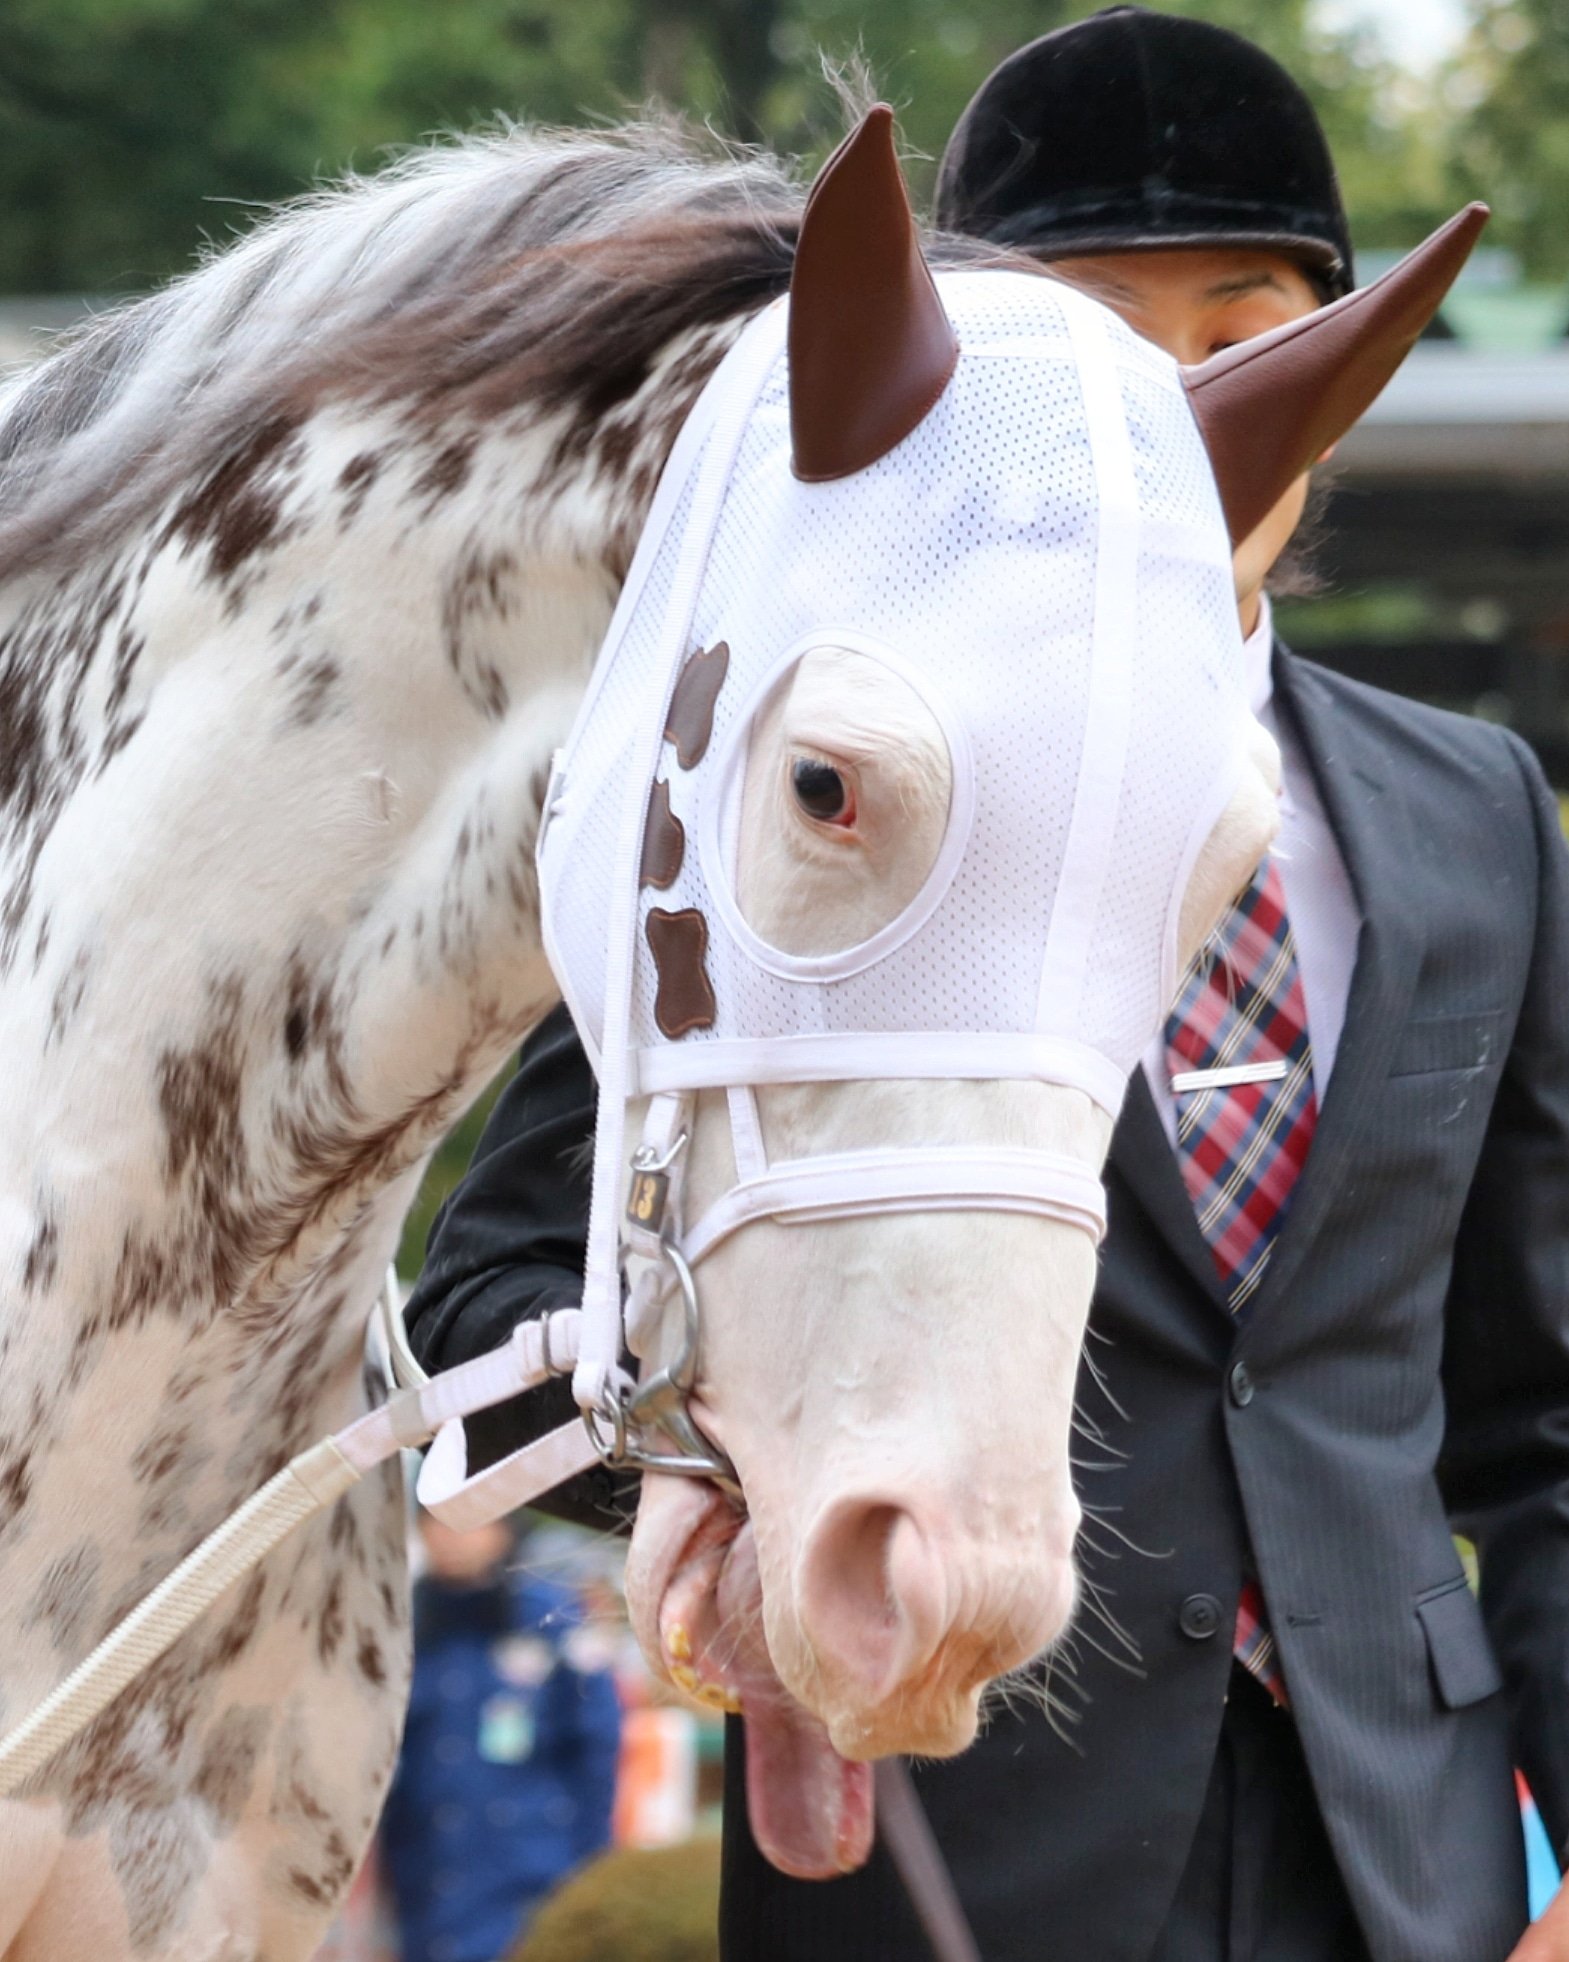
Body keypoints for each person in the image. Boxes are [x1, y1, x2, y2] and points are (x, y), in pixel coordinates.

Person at [403, 11, 1569, 1959]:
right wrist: (722, 1469)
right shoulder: (787, 786)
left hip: (1404, 1864)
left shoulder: (1474, 815)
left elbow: (1536, 1422)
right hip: (949, 1830)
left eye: (1242, 330)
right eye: (1098, 341)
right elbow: (499, 1306)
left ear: (1328, 377)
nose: (1177, 411)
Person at [378, 1512, 622, 1962]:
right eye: (434, 1520)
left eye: (467, 1519)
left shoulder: (555, 1619)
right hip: (429, 1880)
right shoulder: (397, 1627)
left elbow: (596, 1748)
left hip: (533, 1875)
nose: (451, 1535)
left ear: (502, 1527)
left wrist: (593, 1875)